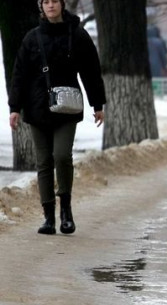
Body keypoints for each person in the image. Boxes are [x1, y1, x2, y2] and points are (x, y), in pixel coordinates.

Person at [8, 0, 107, 235]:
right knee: (43, 162)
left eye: (54, 1)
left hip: (67, 108)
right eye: (46, 2)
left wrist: (97, 104)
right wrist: (14, 107)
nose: (50, 6)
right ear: (41, 6)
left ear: (62, 4)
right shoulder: (32, 38)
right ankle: (48, 217)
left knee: (62, 156)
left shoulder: (78, 35)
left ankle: (66, 212)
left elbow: (91, 70)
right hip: (37, 107)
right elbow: (20, 74)